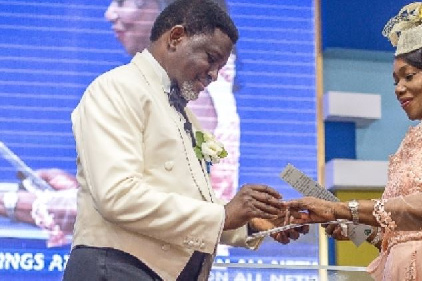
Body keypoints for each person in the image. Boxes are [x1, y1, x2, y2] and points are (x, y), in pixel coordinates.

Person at [62, 1, 302, 280]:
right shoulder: (117, 88)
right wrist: (223, 215)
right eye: (211, 59)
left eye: (220, 66)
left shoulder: (184, 114)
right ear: (176, 37)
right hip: (115, 269)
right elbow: (117, 196)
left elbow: (186, 202)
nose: (213, 75)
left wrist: (252, 224)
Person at [288, 0, 422, 280]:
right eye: (395, 80)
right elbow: (407, 233)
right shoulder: (413, 140)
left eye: (408, 76)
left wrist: (343, 208)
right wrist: (351, 224)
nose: (399, 88)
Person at [105, 0, 240, 202]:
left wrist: (43, 203)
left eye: (124, 1)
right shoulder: (177, 88)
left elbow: (160, 207)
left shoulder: (193, 96)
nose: (110, 13)